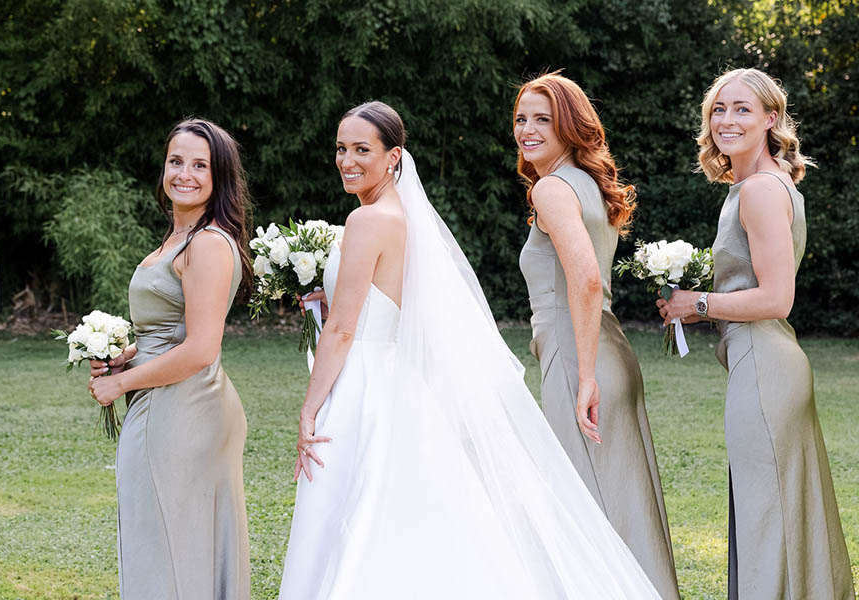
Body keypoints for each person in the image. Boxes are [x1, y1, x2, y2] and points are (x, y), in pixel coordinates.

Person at [277, 100, 661, 599]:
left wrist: (310, 406)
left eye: (362, 150)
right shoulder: (400, 216)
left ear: (393, 156)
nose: (348, 160)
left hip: (365, 381)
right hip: (400, 380)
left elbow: (344, 332)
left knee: (357, 508)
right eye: (341, 149)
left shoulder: (368, 221)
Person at [657, 68, 855, 599]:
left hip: (765, 367)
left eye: (742, 109)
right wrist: (701, 310)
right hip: (762, 359)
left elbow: (776, 298)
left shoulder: (761, 191)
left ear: (771, 119)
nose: (727, 119)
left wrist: (696, 301)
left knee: (766, 516)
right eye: (719, 109)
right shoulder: (761, 185)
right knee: (772, 512)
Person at [516, 71, 679, 599]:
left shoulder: (551, 189)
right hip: (608, 349)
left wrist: (584, 376)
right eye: (522, 118)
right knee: (616, 502)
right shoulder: (586, 186)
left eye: (544, 119)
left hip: (578, 357)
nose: (528, 129)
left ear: (570, 127)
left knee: (580, 503)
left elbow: (585, 279)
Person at [88, 118, 253, 599]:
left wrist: (120, 385)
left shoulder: (206, 243)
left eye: (200, 165)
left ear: (219, 176)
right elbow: (173, 331)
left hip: (181, 410)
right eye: (176, 161)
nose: (185, 173)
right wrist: (126, 359)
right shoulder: (180, 238)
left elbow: (201, 348)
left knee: (163, 548)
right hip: (178, 403)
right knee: (173, 544)